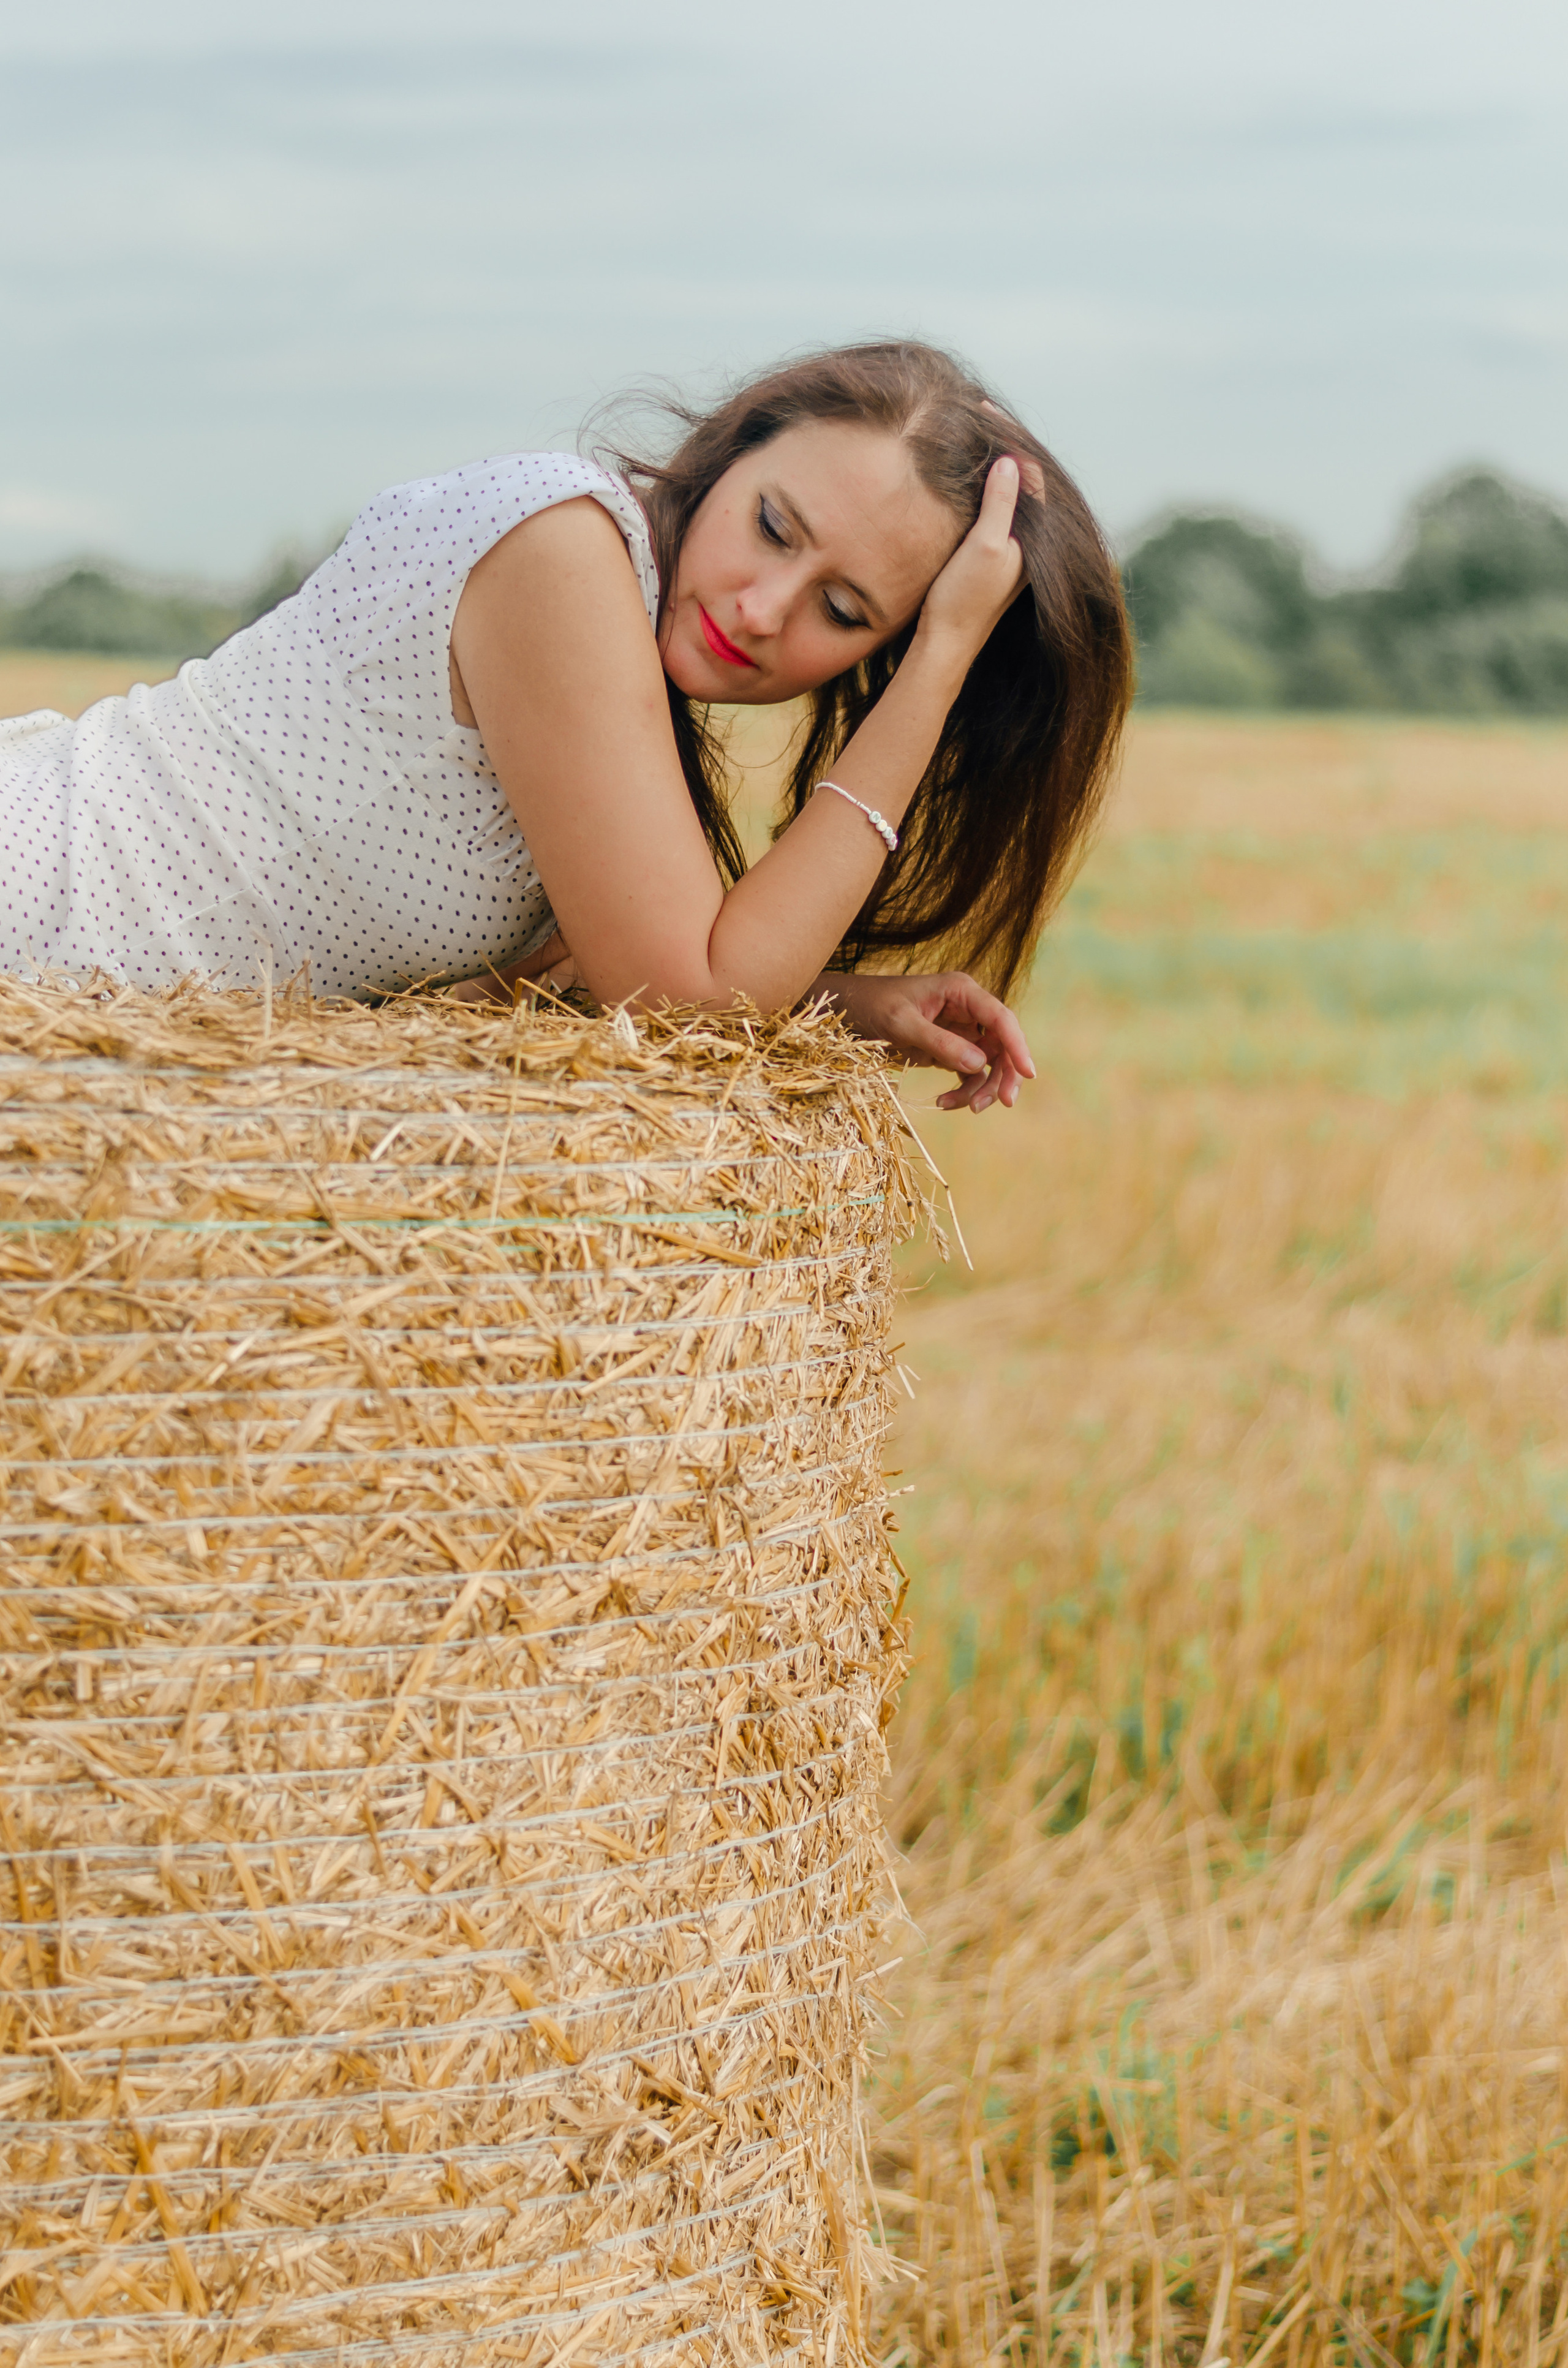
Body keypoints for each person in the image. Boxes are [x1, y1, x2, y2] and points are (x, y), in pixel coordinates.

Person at [0, 340, 1130, 1114]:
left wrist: (847, 1002)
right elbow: (691, 1002)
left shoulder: (612, 662)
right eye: (773, 525)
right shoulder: (565, 550)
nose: (762, 607)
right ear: (732, 448)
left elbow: (603, 962)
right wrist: (933, 667)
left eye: (845, 612)